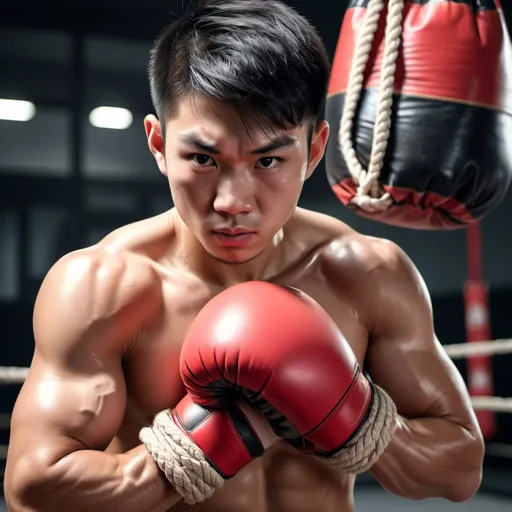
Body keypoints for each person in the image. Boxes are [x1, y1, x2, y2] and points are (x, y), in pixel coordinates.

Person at [5, 0, 484, 511]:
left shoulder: (369, 275)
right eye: (203, 158)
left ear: (315, 151)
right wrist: (216, 439)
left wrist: (351, 415)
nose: (233, 202)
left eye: (269, 160)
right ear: (158, 144)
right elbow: (34, 488)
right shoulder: (104, 287)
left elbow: (460, 470)